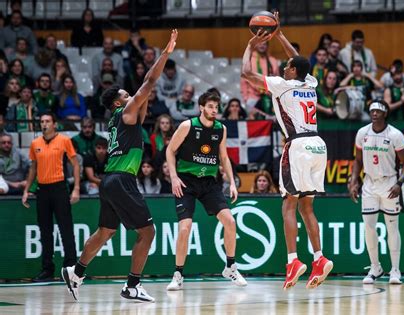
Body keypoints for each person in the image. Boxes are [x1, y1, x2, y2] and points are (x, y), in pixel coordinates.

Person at [61, 29, 178, 303]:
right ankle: (132, 286)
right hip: (122, 180)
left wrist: (145, 92)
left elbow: (145, 98)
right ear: (118, 102)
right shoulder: (124, 111)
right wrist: (166, 53)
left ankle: (76, 272)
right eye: (127, 94)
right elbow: (148, 82)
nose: (132, 96)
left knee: (105, 232)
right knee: (148, 233)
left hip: (110, 180)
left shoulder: (122, 118)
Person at [241, 13, 333, 290]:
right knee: (307, 207)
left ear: (293, 71)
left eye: (287, 66)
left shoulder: (283, 85)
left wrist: (249, 45)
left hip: (299, 145)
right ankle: (318, 258)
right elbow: (300, 60)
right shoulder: (311, 83)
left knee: (288, 205)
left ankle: (293, 260)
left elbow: (247, 74)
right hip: (319, 145)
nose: (283, 67)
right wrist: (279, 34)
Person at [165, 91, 247, 291]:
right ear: (201, 107)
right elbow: (170, 150)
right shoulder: (187, 126)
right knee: (185, 228)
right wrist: (174, 177)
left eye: (216, 107)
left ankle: (230, 266)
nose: (214, 110)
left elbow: (224, 157)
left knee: (230, 221)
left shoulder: (221, 129)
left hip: (209, 182)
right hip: (186, 182)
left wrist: (233, 183)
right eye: (210, 107)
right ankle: (178, 274)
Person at [348, 100, 404, 285]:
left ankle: (395, 269)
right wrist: (353, 181)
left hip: (390, 182)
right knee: (369, 227)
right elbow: (357, 160)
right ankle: (375, 267)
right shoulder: (362, 133)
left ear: (385, 114)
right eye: (372, 111)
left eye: (378, 111)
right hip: (369, 183)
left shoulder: (395, 135)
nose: (374, 113)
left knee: (392, 227)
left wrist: (400, 183)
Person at [22, 112, 81, 282]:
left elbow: (75, 165)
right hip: (42, 191)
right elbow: (33, 168)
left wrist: (76, 188)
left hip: (59, 189)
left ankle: (71, 268)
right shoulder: (35, 143)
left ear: (54, 124)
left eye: (47, 121)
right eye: (41, 121)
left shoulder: (64, 140)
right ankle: (47, 269)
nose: (44, 124)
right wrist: (27, 189)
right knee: (45, 231)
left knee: (66, 229)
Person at [240, 39, 279, 111]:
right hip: (252, 96)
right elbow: (244, 80)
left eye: (264, 44)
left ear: (267, 46)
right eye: (260, 43)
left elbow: (277, 79)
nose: (262, 46)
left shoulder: (273, 60)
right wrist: (245, 97)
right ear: (256, 45)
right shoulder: (249, 59)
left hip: (269, 96)